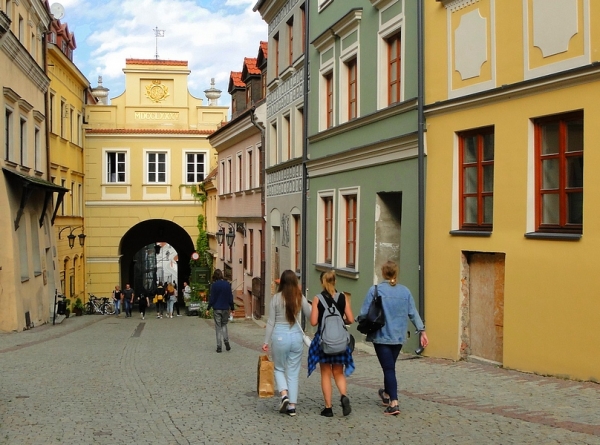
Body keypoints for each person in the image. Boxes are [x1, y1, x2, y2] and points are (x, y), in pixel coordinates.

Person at [358, 260, 429, 416]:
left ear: (383, 273)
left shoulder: (375, 290)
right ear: (396, 273)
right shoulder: (405, 292)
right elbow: (413, 313)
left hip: (381, 336)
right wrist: (422, 331)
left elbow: (364, 313)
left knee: (389, 368)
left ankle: (394, 403)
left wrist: (357, 321)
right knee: (389, 366)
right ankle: (387, 394)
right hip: (398, 337)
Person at [262, 270, 312, 417]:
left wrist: (265, 341)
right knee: (293, 372)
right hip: (296, 337)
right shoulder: (299, 297)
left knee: (278, 369)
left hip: (279, 337)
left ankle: (284, 394)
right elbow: (310, 315)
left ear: (282, 282)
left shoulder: (276, 298)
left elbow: (271, 322)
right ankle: (292, 406)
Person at [308, 270, 355, 417]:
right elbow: (351, 319)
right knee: (338, 372)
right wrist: (342, 320)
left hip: (325, 342)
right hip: (340, 342)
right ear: (335, 281)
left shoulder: (317, 299)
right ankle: (343, 395)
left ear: (322, 282)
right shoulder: (343, 297)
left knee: (326, 373)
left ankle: (328, 408)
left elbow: (314, 322)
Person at [206, 269, 234, 353]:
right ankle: (226, 341)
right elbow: (230, 297)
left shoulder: (214, 285)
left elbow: (212, 298)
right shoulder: (227, 284)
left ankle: (219, 347)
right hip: (225, 308)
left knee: (218, 327)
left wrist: (208, 308)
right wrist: (232, 308)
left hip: (217, 308)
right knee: (224, 325)